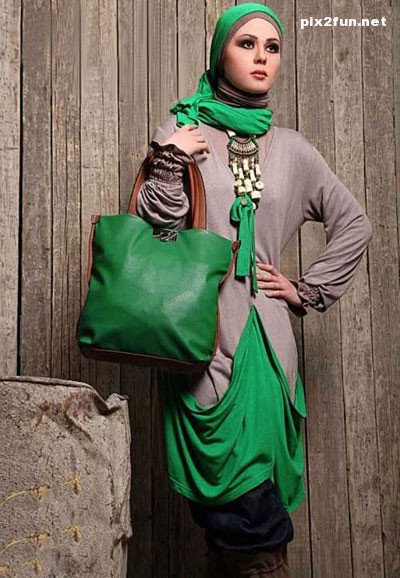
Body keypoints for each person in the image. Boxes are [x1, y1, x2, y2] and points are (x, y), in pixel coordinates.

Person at [135, 4, 373, 576]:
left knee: (254, 519)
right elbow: (155, 228)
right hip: (200, 338)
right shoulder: (184, 129)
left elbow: (355, 224)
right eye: (246, 44)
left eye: (272, 46)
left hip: (266, 347)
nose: (262, 57)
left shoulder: (292, 148)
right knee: (227, 519)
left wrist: (305, 289)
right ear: (220, 53)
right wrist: (170, 159)